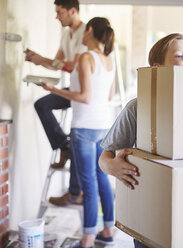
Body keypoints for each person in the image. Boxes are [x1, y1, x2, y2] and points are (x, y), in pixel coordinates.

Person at [98, 33, 183, 248]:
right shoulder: (139, 107)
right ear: (158, 68)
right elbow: (104, 158)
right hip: (149, 216)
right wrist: (112, 166)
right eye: (179, 56)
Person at [40, 17, 116, 248]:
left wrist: (53, 90)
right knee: (101, 178)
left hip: (83, 127)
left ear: (90, 30)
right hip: (103, 126)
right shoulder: (108, 59)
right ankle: (108, 231)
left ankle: (88, 239)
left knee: (88, 184)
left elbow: (84, 97)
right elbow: (108, 97)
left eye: (85, 30)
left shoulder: (86, 57)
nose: (82, 33)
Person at [24, 0, 85, 206]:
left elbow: (71, 65)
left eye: (60, 12)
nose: (57, 17)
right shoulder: (65, 33)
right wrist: (38, 60)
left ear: (72, 11)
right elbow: (58, 65)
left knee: (78, 135)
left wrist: (46, 59)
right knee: (42, 104)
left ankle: (74, 191)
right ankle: (63, 146)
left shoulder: (86, 32)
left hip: (84, 92)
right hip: (71, 89)